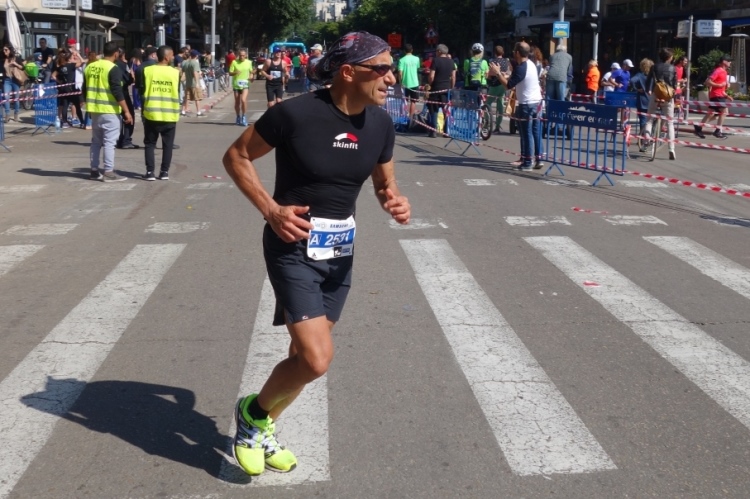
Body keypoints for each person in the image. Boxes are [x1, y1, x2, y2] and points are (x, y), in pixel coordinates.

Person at [222, 31, 410, 477]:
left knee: (300, 359)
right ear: (348, 72)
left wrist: (394, 200)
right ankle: (252, 414)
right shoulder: (295, 114)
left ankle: (264, 428)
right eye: (382, 69)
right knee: (316, 358)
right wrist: (271, 210)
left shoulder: (381, 124)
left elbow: (384, 184)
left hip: (339, 252)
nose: (392, 78)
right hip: (293, 247)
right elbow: (237, 156)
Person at [83, 41, 132, 182]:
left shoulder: (90, 66)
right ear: (116, 54)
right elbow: (117, 91)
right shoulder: (113, 68)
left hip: (94, 110)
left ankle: (94, 170)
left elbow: (84, 89)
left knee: (96, 142)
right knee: (110, 142)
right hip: (109, 110)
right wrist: (126, 111)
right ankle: (109, 172)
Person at [498, 42, 543, 171]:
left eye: (514, 51)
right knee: (535, 131)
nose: (513, 53)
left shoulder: (522, 67)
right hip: (537, 102)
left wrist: (498, 73)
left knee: (526, 133)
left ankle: (527, 162)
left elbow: (508, 85)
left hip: (527, 104)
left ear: (517, 53)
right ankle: (538, 158)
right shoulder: (531, 64)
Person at [142, 45, 180, 181]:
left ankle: (150, 172)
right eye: (172, 55)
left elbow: (142, 89)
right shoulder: (175, 73)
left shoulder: (147, 71)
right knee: (167, 145)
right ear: (166, 57)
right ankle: (164, 172)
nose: (173, 57)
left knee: (149, 144)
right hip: (169, 115)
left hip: (152, 113)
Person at [643, 48, 677, 160]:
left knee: (649, 119)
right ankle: (671, 149)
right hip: (668, 96)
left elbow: (648, 81)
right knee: (670, 123)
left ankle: (647, 140)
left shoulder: (654, 67)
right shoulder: (673, 68)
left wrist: (648, 90)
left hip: (656, 94)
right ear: (669, 57)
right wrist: (673, 96)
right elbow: (674, 84)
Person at [694, 54, 732, 140]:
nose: (730, 63)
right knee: (724, 111)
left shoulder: (724, 72)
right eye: (729, 61)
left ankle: (699, 127)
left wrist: (727, 95)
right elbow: (707, 82)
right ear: (724, 62)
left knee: (711, 113)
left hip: (719, 95)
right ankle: (718, 131)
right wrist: (719, 85)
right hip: (716, 95)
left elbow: (722, 88)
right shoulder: (718, 70)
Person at [427, 43, 456, 138]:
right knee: (446, 110)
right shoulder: (451, 62)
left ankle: (433, 131)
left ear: (439, 51)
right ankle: (446, 131)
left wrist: (430, 83)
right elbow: (453, 76)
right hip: (446, 89)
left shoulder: (435, 61)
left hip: (436, 88)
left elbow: (431, 76)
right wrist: (451, 87)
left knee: (434, 109)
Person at [51, 49, 84, 128]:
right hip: (72, 88)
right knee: (77, 105)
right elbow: (82, 62)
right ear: (69, 58)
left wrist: (59, 82)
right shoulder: (72, 65)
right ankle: (82, 122)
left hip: (64, 88)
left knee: (65, 105)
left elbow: (53, 76)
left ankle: (64, 122)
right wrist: (78, 55)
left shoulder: (60, 67)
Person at [114, 48, 137, 149]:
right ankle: (126, 140)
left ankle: (119, 139)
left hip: (110, 95)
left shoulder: (108, 64)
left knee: (117, 117)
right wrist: (132, 76)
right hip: (123, 93)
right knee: (128, 116)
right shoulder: (123, 65)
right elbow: (128, 79)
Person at [629, 58, 654, 147]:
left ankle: (643, 138)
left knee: (643, 120)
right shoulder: (653, 76)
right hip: (652, 100)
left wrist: (636, 89)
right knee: (650, 120)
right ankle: (650, 136)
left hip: (642, 100)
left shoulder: (640, 75)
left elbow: (632, 80)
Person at [487, 45, 511, 134]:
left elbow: (490, 74)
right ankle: (497, 125)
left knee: (487, 103)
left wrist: (488, 77)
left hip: (495, 85)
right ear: (502, 52)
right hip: (503, 84)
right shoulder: (506, 62)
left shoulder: (493, 62)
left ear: (495, 53)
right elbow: (509, 72)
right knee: (500, 104)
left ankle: (487, 123)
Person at [229, 49, 253, 126]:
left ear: (246, 55)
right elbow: (230, 73)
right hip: (236, 84)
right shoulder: (234, 62)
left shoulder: (249, 62)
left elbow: (251, 72)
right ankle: (238, 116)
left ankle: (244, 116)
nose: (241, 57)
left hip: (245, 84)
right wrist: (235, 72)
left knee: (243, 100)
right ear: (238, 55)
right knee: (237, 102)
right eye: (240, 55)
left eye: (243, 55)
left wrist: (251, 77)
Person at [2, 45, 26, 123]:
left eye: (6, 50)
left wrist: (16, 64)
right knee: (6, 97)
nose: (4, 51)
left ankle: (16, 113)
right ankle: (7, 114)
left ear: (10, 50)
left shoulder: (16, 58)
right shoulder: (3, 59)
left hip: (15, 80)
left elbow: (23, 68)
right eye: (3, 50)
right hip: (7, 80)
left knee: (16, 98)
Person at [397, 44, 420, 118]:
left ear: (404, 51)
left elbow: (400, 73)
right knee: (413, 101)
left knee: (404, 101)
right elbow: (417, 69)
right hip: (415, 83)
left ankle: (404, 116)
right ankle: (411, 117)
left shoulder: (401, 60)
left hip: (405, 83)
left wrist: (400, 82)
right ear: (412, 50)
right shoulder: (417, 59)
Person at [180, 49, 204, 117]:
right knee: (197, 98)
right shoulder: (195, 63)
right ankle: (199, 112)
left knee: (186, 98)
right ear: (196, 56)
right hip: (194, 83)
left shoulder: (186, 63)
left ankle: (183, 111)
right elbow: (195, 72)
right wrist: (197, 83)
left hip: (188, 83)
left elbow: (183, 71)